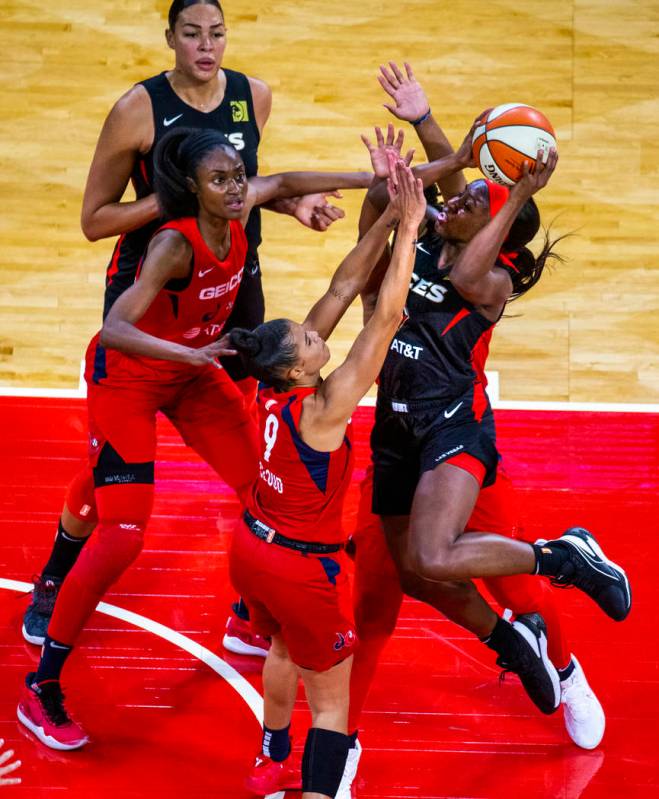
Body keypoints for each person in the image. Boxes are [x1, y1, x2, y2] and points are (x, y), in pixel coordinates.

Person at [17, 127, 373, 752]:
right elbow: (117, 328)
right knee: (123, 533)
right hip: (128, 378)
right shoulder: (172, 247)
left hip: (191, 374)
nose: (236, 188)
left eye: (238, 176)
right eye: (220, 180)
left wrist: (390, 182)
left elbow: (287, 183)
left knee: (263, 490)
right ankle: (41, 685)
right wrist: (194, 351)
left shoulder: (236, 212)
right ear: (190, 188)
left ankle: (251, 619)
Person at [339, 66, 631, 793]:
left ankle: (566, 668)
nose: (458, 201)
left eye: (475, 202)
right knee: (386, 588)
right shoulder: (435, 231)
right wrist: (431, 125)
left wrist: (514, 188)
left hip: (459, 438)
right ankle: (341, 736)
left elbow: (473, 242)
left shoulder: (488, 279)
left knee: (512, 585)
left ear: (495, 228)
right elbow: (452, 183)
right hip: (396, 436)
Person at [22, 0, 343, 653]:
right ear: (169, 38)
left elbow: (244, 185)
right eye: (191, 34)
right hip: (155, 290)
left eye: (216, 33)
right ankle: (59, 572)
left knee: (259, 463)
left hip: (231, 290)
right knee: (113, 464)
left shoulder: (252, 96)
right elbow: (95, 220)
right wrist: (174, 202)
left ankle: (254, 606)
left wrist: (295, 203)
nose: (206, 46)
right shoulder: (137, 109)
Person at [227, 152, 426, 799]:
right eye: (309, 343)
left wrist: (387, 215)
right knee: (335, 706)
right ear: (298, 370)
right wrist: (412, 230)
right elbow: (386, 317)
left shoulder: (271, 386)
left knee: (284, 648)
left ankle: (269, 750)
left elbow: (343, 289)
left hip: (252, 549)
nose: (318, 339)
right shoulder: (324, 408)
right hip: (300, 566)